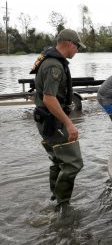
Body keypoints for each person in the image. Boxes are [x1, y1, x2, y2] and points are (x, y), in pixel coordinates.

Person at [30, 28, 86, 208]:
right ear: (69, 43)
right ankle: (63, 206)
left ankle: (55, 198)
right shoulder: (54, 65)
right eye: (77, 46)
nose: (77, 49)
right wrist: (69, 124)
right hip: (53, 122)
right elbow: (49, 98)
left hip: (46, 121)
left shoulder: (48, 60)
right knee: (73, 163)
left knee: (58, 161)